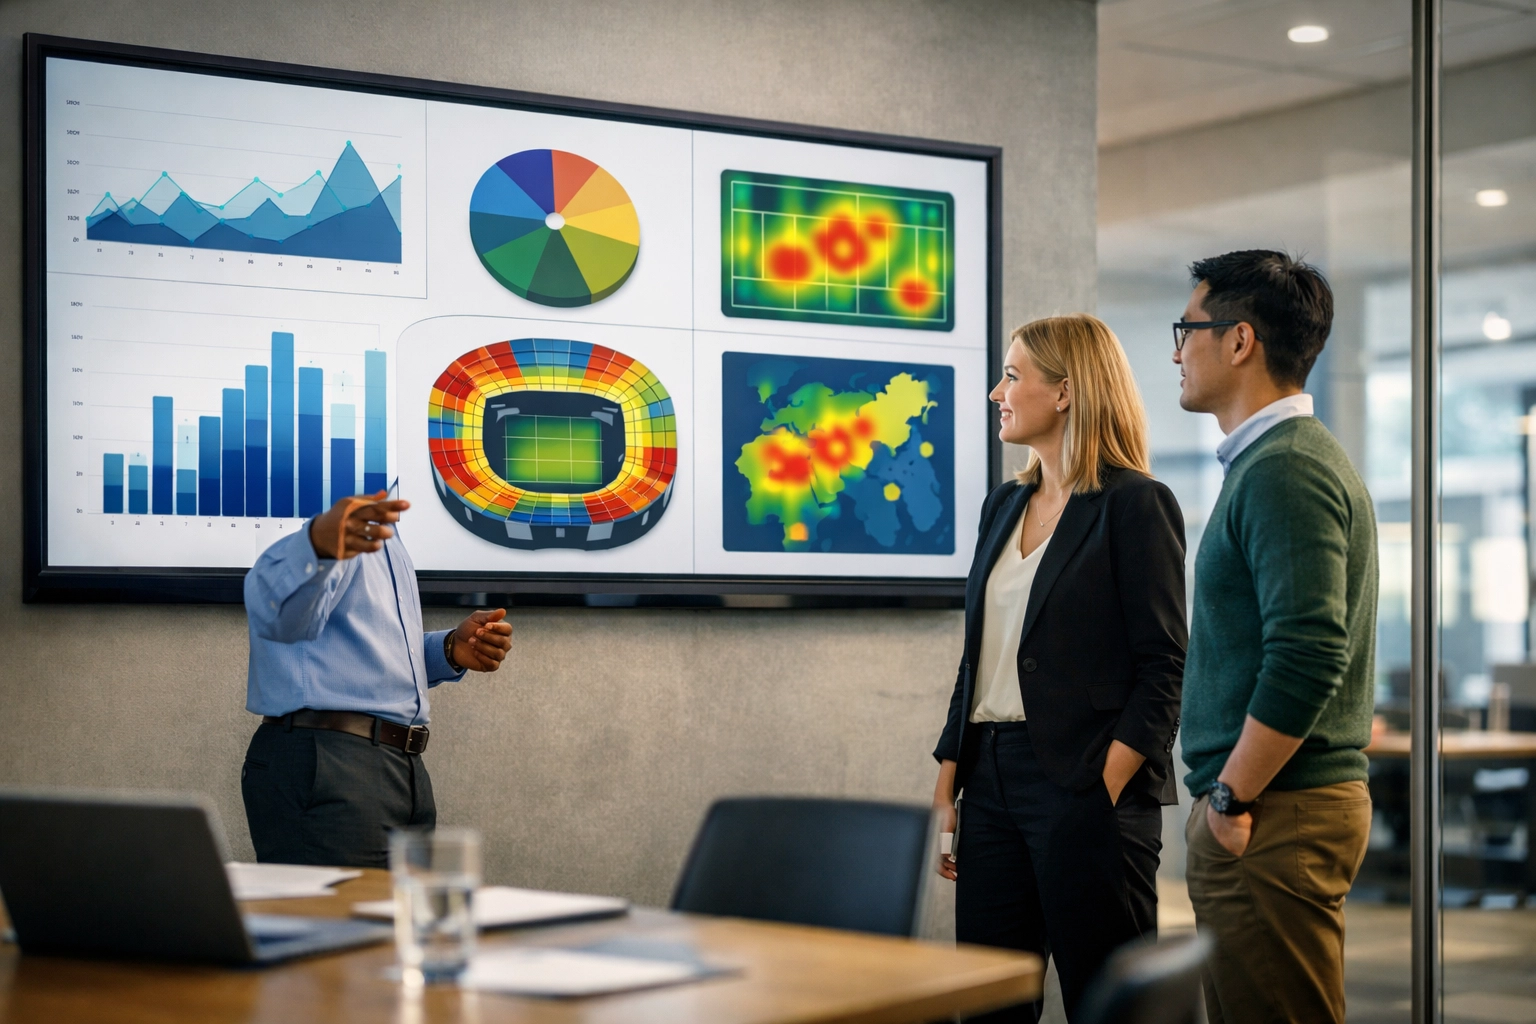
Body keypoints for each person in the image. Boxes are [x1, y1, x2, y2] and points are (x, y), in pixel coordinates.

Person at [932, 314, 1187, 1022]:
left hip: (1086, 783)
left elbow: (1163, 667)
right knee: (988, 1002)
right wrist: (949, 778)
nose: (996, 393)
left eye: (1013, 375)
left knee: (1107, 1005)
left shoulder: (1135, 504)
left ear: (1068, 391)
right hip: (990, 782)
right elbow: (979, 654)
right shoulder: (1003, 504)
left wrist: (1100, 786)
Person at [1173, 250, 1377, 1024]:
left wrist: (1231, 794)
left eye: (1186, 328)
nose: (1176, 350)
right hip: (1270, 810)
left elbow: (1309, 650)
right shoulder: (1269, 464)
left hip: (1273, 810)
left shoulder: (1286, 468)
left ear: (1239, 341)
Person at [241, 490, 514, 868]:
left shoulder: (390, 540)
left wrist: (448, 649)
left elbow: (368, 652)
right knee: (338, 923)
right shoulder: (311, 518)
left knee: (401, 922)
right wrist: (316, 544)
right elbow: (279, 616)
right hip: (331, 765)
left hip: (401, 769)